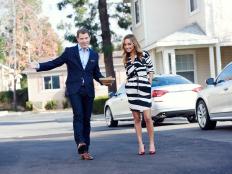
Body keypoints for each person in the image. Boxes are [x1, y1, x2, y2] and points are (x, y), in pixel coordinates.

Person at [29, 28, 110, 160]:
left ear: (89, 38)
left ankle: (85, 151)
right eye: (81, 38)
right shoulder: (69, 52)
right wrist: (38, 65)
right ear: (77, 39)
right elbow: (55, 63)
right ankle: (80, 142)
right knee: (78, 115)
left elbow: (96, 73)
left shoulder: (94, 55)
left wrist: (103, 81)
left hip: (88, 90)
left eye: (86, 38)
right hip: (74, 89)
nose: (84, 41)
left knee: (86, 121)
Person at [122, 34, 156, 155]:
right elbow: (128, 74)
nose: (127, 46)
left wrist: (149, 82)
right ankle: (141, 144)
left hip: (144, 87)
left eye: (129, 44)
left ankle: (151, 143)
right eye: (125, 44)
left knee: (147, 118)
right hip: (131, 89)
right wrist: (127, 84)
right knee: (136, 119)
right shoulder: (125, 59)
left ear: (134, 44)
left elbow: (151, 70)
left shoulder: (144, 54)